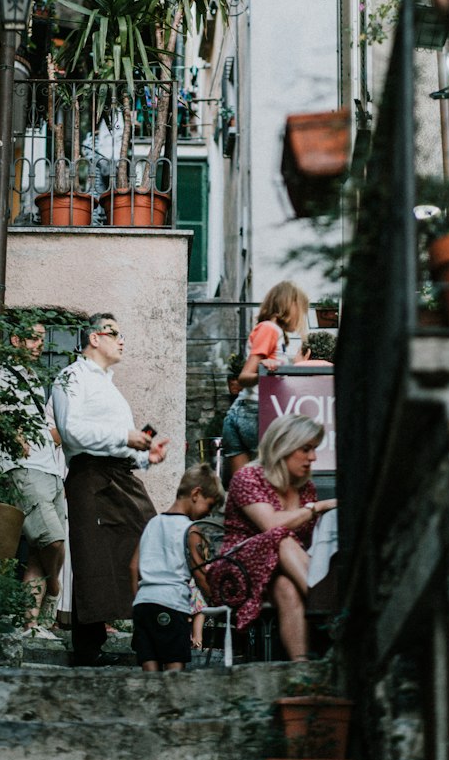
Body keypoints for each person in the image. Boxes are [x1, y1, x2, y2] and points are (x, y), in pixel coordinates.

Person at [51, 314, 170, 666]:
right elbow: (71, 431)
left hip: (121, 475)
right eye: (114, 333)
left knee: (148, 546)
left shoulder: (110, 386)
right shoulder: (72, 377)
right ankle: (89, 649)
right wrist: (125, 437)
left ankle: (148, 635)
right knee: (95, 557)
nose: (122, 340)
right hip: (90, 476)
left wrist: (148, 457)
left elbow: (123, 444)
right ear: (94, 338)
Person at [216, 413, 336, 661]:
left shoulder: (305, 487)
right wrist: (318, 507)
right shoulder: (248, 478)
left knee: (286, 588)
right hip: (239, 569)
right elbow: (270, 525)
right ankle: (329, 612)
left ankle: (302, 671)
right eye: (306, 449)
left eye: (314, 450)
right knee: (280, 537)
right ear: (284, 446)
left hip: (283, 571)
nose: (313, 458)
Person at [0, 318, 65, 639]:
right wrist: (10, 432)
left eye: (42, 339)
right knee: (52, 541)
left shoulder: (34, 381)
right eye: (32, 339)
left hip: (51, 471)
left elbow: (45, 429)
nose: (38, 345)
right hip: (22, 468)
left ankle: (32, 623)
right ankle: (54, 587)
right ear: (15, 341)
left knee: (42, 550)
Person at [129, 463, 224, 671]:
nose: (207, 513)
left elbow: (133, 566)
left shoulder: (152, 523)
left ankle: (152, 702)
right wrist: (217, 600)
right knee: (175, 671)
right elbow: (199, 574)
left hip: (144, 604)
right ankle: (172, 704)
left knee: (150, 668)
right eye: (209, 506)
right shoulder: (191, 531)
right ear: (196, 494)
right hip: (171, 605)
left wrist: (139, 600)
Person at [222, 282, 311, 476]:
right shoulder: (270, 329)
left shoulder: (270, 331)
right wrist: (264, 371)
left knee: (243, 489)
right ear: (289, 305)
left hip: (242, 412)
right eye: (300, 310)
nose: (300, 317)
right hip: (255, 413)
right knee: (272, 482)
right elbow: (245, 377)